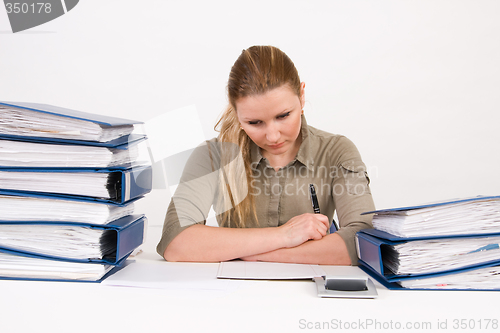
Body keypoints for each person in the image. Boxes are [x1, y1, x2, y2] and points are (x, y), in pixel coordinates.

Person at [157, 45, 375, 265]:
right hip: (230, 294)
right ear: (236, 113)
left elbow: (363, 241)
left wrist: (253, 254)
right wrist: (285, 236)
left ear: (301, 95)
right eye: (254, 123)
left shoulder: (337, 151)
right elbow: (176, 242)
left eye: (283, 116)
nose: (272, 136)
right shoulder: (213, 156)